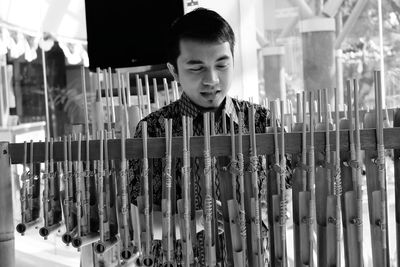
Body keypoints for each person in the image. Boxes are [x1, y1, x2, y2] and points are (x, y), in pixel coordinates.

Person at [129, 8, 290, 266]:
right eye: (196, 68)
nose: (212, 79)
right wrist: (194, 223)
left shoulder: (261, 121)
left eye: (222, 65)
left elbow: (289, 190)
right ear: (173, 70)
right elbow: (141, 222)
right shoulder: (153, 130)